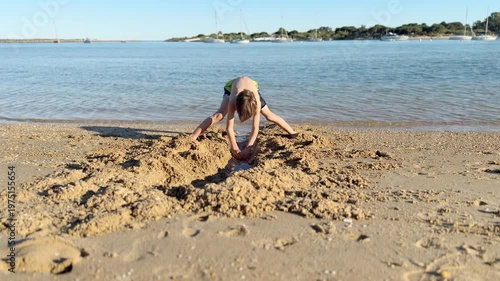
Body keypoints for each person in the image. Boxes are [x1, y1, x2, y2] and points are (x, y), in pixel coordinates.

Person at [191, 76, 297, 160]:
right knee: (219, 115)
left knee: (269, 115)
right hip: (231, 87)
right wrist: (235, 148)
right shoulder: (232, 102)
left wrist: (248, 147)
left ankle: (292, 132)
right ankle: (193, 136)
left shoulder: (257, 103)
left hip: (252, 87)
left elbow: (255, 128)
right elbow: (229, 128)